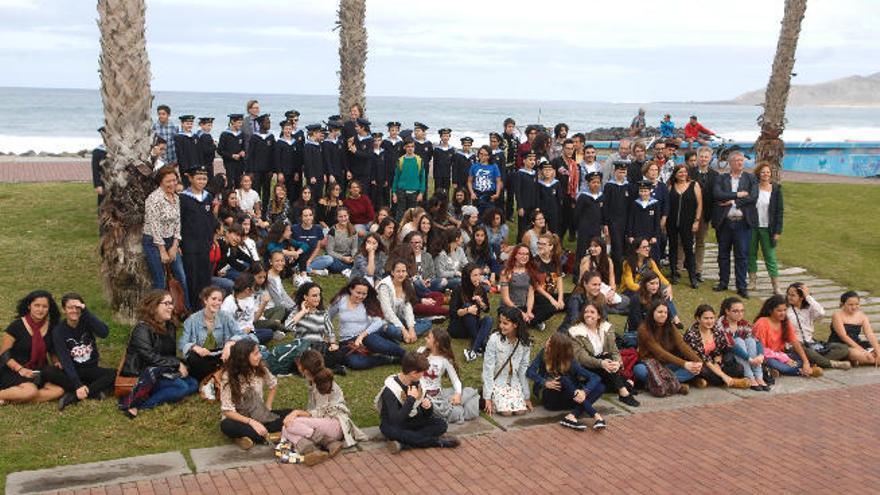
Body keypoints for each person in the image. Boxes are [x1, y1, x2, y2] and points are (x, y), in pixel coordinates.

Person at [118, 290, 198, 418]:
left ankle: (154, 392)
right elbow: (149, 357)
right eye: (166, 303)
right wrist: (176, 364)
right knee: (181, 388)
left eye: (171, 303)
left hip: (162, 369)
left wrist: (180, 364)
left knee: (193, 384)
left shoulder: (170, 326)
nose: (171, 307)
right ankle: (140, 404)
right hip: (144, 373)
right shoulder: (142, 329)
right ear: (154, 306)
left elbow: (169, 354)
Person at [282, 350, 366, 464]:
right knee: (286, 427)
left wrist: (296, 413)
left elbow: (320, 412)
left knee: (291, 424)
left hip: (336, 426)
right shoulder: (315, 381)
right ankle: (311, 450)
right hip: (326, 426)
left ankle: (328, 443)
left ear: (305, 370)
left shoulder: (321, 385)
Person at [377, 351, 459, 453]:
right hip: (393, 425)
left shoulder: (417, 383)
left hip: (412, 421)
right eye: (422, 372)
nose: (423, 375)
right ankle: (435, 442)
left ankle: (405, 444)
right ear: (413, 373)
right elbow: (395, 421)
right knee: (393, 431)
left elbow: (425, 415)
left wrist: (428, 408)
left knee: (441, 424)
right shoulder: (390, 390)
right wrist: (410, 399)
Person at [219, 339, 291, 450]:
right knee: (226, 425)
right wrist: (251, 422)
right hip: (240, 419)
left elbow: (273, 385)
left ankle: (248, 438)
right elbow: (227, 411)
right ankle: (271, 436)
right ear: (244, 358)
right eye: (256, 353)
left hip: (259, 414)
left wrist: (268, 406)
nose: (260, 356)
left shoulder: (260, 368)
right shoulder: (228, 376)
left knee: (292, 415)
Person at [527, 332, 607, 430]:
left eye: (550, 343)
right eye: (548, 340)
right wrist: (545, 383)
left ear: (558, 350)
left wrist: (584, 391)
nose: (547, 344)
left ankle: (572, 416)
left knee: (601, 387)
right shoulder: (543, 353)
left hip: (571, 398)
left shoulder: (570, 360)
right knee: (563, 379)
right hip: (551, 400)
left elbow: (595, 377)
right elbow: (530, 372)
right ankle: (596, 416)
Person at [0, 291, 66, 405]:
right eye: (37, 305)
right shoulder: (16, 326)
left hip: (38, 371)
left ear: (49, 308)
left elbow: (52, 351)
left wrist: (56, 362)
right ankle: (16, 394)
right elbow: (4, 354)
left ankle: (10, 398)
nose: (40, 310)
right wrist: (20, 369)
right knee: (30, 391)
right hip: (14, 370)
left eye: (44, 306)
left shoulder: (51, 328)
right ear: (29, 306)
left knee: (58, 391)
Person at [567, 303, 639, 407]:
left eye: (592, 312)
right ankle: (623, 392)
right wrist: (601, 363)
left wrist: (618, 363)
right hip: (584, 368)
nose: (588, 314)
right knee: (607, 359)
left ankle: (622, 385)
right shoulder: (575, 332)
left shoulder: (605, 329)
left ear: (599, 315)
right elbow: (582, 358)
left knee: (608, 361)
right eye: (586, 312)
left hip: (604, 367)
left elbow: (614, 351)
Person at [52, 293, 116, 409]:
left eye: (78, 307)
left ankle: (75, 396)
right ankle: (94, 390)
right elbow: (65, 359)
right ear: (64, 310)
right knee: (48, 372)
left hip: (91, 368)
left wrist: (86, 312)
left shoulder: (87, 321)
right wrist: (77, 384)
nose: (74, 311)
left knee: (114, 374)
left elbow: (104, 333)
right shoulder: (58, 331)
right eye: (70, 307)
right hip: (72, 370)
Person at [327, 278, 406, 370]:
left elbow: (378, 321)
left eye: (364, 294)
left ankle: (405, 355)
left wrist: (361, 336)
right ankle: (388, 359)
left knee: (373, 341)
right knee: (355, 363)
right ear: (351, 289)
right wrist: (332, 341)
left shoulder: (367, 302)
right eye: (358, 292)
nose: (361, 296)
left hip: (367, 335)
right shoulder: (340, 300)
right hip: (347, 341)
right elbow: (327, 319)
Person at [179, 285, 249, 385]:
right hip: (203, 356)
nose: (217, 303)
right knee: (193, 358)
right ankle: (218, 375)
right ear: (205, 300)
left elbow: (241, 334)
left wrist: (229, 344)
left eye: (220, 300)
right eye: (213, 299)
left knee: (241, 348)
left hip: (222, 354)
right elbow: (182, 342)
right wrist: (195, 347)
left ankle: (217, 376)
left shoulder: (226, 316)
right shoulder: (192, 320)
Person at [142, 166, 190, 310]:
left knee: (181, 276)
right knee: (159, 279)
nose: (172, 184)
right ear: (160, 182)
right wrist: (162, 250)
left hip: (171, 240)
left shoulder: (176, 198)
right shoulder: (153, 199)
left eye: (174, 180)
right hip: (153, 242)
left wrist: (175, 245)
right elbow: (155, 226)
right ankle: (157, 312)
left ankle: (185, 309)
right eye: (168, 181)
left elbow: (177, 223)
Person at [713, 151, 758, 298]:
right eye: (737, 160)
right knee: (723, 254)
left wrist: (733, 202)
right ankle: (723, 282)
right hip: (725, 222)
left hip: (742, 224)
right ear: (731, 163)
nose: (740, 163)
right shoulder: (722, 178)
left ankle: (741, 286)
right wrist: (737, 195)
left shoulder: (750, 178)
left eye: (742, 160)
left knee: (742, 256)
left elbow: (753, 197)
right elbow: (717, 195)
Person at [633, 301, 703, 392]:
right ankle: (676, 385)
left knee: (693, 369)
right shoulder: (644, 329)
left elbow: (681, 345)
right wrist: (684, 364)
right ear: (652, 313)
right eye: (660, 312)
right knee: (639, 370)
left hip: (668, 364)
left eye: (665, 312)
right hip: (651, 365)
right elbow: (660, 353)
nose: (663, 315)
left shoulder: (670, 325)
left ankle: (663, 384)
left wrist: (697, 361)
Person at [419, 328, 480, 423]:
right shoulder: (420, 351)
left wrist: (458, 394)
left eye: (429, 337)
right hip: (419, 393)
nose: (425, 339)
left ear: (437, 343)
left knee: (460, 400)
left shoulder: (445, 360)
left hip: (435, 396)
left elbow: (455, 380)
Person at [682, 305, 751, 389]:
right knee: (702, 370)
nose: (710, 321)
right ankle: (732, 381)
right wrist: (724, 376)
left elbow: (722, 348)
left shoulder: (715, 329)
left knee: (738, 368)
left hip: (713, 360)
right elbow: (703, 359)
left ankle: (702, 381)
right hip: (700, 362)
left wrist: (717, 362)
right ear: (698, 318)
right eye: (706, 318)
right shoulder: (691, 333)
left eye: (712, 318)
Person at [180, 165, 219, 310]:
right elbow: (181, 222)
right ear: (190, 178)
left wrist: (212, 236)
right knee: (192, 277)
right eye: (198, 178)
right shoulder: (183, 198)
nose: (202, 181)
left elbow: (210, 219)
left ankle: (206, 306)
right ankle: (193, 308)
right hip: (190, 246)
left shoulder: (207, 197)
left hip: (205, 244)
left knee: (205, 276)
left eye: (204, 178)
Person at [787, 283, 852, 370]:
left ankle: (817, 361)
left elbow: (821, 313)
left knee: (843, 348)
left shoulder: (809, 309)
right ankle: (832, 364)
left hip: (811, 343)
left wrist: (808, 296)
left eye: (793, 295)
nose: (789, 297)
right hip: (795, 346)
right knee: (807, 352)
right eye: (788, 294)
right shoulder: (787, 311)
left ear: (802, 297)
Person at [754, 295, 822, 377]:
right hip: (765, 357)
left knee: (805, 356)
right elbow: (761, 350)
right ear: (770, 310)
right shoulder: (762, 323)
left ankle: (778, 370)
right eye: (779, 311)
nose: (783, 313)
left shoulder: (785, 322)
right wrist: (784, 359)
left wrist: (805, 362)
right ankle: (802, 371)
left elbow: (795, 342)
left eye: (785, 310)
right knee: (778, 365)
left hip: (781, 355)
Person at [482, 307, 532, 416]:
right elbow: (488, 369)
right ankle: (495, 400)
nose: (501, 326)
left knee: (521, 411)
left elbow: (523, 370)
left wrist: (526, 396)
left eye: (505, 323)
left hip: (513, 382)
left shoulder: (524, 343)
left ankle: (515, 399)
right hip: (497, 383)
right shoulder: (494, 339)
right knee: (507, 413)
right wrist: (487, 397)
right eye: (500, 322)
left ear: (515, 325)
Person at [715, 297, 769, 391]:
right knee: (738, 340)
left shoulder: (743, 323)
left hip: (743, 355)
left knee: (750, 341)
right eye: (736, 311)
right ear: (727, 311)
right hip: (725, 356)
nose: (740, 314)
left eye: (742, 311)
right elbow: (731, 345)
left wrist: (760, 355)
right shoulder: (720, 324)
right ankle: (749, 377)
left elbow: (757, 340)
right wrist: (749, 359)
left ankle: (758, 377)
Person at [748, 161, 784, 294]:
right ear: (759, 173)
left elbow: (779, 211)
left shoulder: (776, 189)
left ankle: (776, 285)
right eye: (763, 172)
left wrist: (777, 231)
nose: (765, 174)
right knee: (750, 254)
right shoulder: (753, 188)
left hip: (768, 229)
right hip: (752, 226)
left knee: (770, 256)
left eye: (768, 172)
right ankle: (752, 281)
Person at [376, 260, 433, 343]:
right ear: (392, 272)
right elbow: (387, 312)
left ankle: (404, 336)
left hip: (399, 319)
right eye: (398, 271)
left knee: (427, 322)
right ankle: (402, 335)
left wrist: (411, 328)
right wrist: (403, 329)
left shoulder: (406, 284)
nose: (401, 274)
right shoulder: (384, 286)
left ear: (406, 273)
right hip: (385, 321)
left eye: (403, 271)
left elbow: (408, 308)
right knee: (390, 330)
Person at [666, 164, 702, 288]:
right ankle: (674, 273)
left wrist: (697, 221)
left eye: (684, 172)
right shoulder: (671, 186)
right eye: (680, 172)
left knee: (688, 248)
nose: (682, 174)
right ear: (675, 174)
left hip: (688, 222)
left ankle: (693, 277)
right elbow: (667, 205)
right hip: (672, 222)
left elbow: (699, 204)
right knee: (672, 247)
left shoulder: (694, 185)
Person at [449, 263, 494, 362]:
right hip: (459, 326)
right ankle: (481, 344)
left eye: (479, 275)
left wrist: (481, 302)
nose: (478, 278)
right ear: (467, 276)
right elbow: (452, 313)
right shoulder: (458, 289)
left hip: (474, 324)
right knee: (467, 306)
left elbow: (487, 310)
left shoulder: (480, 289)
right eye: (474, 275)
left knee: (488, 319)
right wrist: (467, 310)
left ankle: (473, 350)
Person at [220, 273, 276, 345]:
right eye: (254, 287)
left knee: (268, 333)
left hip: (251, 331)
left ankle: (249, 344)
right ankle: (245, 345)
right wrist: (242, 332)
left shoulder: (249, 298)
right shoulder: (228, 303)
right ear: (247, 290)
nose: (255, 289)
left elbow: (254, 320)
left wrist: (264, 304)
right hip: (236, 336)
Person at [688, 146, 717, 282]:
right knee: (686, 241)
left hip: (706, 214)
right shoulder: (689, 172)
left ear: (710, 158)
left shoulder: (715, 175)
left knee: (700, 242)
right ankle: (682, 266)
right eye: (701, 156)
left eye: (706, 157)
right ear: (698, 157)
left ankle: (698, 270)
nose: (704, 159)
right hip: (689, 213)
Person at [829, 291, 879, 366]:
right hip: (840, 345)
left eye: (857, 304)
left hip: (856, 342)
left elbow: (869, 334)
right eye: (850, 304)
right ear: (843, 304)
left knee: (878, 349)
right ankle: (866, 359)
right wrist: (863, 351)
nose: (854, 307)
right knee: (864, 356)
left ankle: (863, 360)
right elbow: (843, 336)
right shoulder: (837, 315)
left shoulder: (862, 316)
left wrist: (878, 351)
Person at [602, 161, 631, 281]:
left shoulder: (628, 186)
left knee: (627, 249)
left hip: (626, 222)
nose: (622, 173)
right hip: (613, 223)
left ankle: (626, 275)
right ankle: (617, 277)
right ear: (615, 172)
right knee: (617, 250)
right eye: (619, 171)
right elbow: (606, 206)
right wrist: (605, 224)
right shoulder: (609, 186)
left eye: (624, 171)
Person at [245, 114, 275, 207]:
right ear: (261, 124)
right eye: (267, 122)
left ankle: (265, 212)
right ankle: (255, 211)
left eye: (269, 122)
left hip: (267, 171)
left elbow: (273, 154)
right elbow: (250, 155)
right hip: (256, 171)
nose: (269, 124)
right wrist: (250, 171)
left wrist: (272, 170)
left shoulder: (271, 137)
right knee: (255, 192)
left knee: (267, 192)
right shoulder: (254, 137)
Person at [390, 139, 425, 218]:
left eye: (412, 146)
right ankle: (399, 229)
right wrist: (394, 193)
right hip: (401, 191)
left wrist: (421, 192)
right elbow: (396, 177)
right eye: (408, 146)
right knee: (400, 213)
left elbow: (422, 178)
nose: (410, 148)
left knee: (413, 214)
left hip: (414, 192)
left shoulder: (419, 160)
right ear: (404, 147)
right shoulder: (401, 160)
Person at [626, 180, 661, 252]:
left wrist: (655, 236)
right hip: (637, 235)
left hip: (650, 235)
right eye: (641, 191)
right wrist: (630, 235)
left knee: (651, 255)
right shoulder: (635, 203)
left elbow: (657, 221)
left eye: (645, 191)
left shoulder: (655, 203)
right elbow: (630, 220)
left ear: (650, 191)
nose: (643, 193)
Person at [468, 145, 503, 214]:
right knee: (477, 215)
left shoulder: (494, 166)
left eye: (486, 154)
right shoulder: (474, 166)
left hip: (489, 194)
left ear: (489, 156)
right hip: (477, 194)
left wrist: (497, 194)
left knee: (489, 215)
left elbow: (498, 182)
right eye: (481, 154)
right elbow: (469, 181)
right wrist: (472, 193)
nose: (483, 156)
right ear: (478, 154)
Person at [274, 121, 302, 204]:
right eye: (286, 129)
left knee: (293, 193)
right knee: (282, 193)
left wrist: (297, 172)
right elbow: (277, 159)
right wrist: (279, 172)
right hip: (284, 173)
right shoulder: (279, 143)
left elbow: (298, 159)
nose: (288, 131)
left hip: (293, 173)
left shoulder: (295, 142)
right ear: (283, 130)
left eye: (290, 129)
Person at [514, 150, 539, 241]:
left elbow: (536, 190)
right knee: (523, 228)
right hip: (524, 206)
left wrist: (537, 206)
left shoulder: (535, 173)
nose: (532, 161)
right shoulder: (520, 174)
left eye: (534, 159)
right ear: (524, 161)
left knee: (532, 227)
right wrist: (520, 207)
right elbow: (517, 191)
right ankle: (520, 245)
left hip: (533, 206)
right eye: (530, 159)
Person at [218, 113, 247, 188]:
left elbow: (244, 147)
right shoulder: (225, 135)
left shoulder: (241, 134)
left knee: (239, 183)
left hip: (240, 163)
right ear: (233, 122)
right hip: (229, 163)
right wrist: (231, 156)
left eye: (241, 122)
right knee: (230, 183)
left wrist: (243, 152)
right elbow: (220, 150)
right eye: (239, 122)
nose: (241, 124)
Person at [536, 161, 562, 234]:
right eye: (545, 169)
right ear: (541, 171)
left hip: (553, 211)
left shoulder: (556, 183)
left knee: (554, 230)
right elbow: (537, 197)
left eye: (549, 170)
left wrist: (558, 210)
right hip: (542, 210)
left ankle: (553, 244)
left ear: (553, 171)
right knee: (541, 230)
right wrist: (537, 209)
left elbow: (559, 198)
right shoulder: (539, 183)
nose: (547, 171)